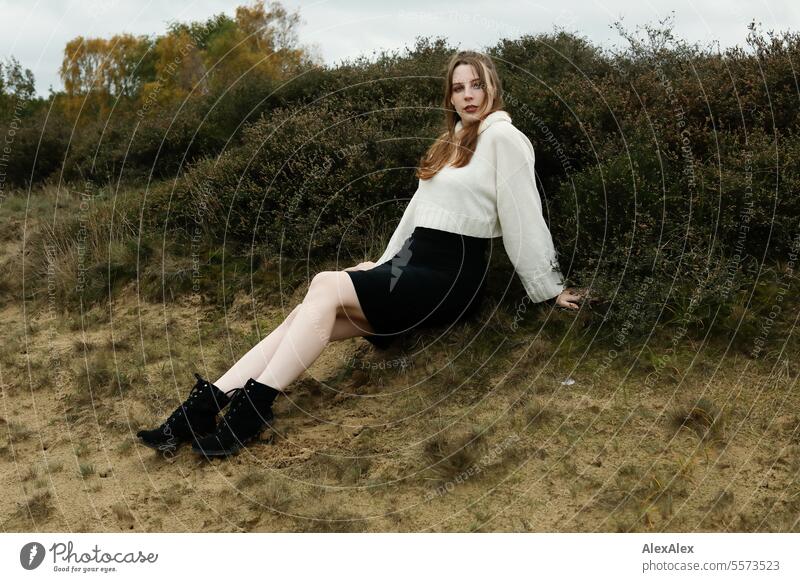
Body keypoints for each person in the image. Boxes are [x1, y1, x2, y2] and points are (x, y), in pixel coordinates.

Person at [137, 50, 585, 459]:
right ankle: (200, 410)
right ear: (448, 95)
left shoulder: (504, 139)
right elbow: (417, 214)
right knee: (307, 315)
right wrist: (384, 264)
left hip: (452, 276)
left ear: (493, 88)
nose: (468, 95)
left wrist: (548, 287)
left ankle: (248, 415)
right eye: (458, 87)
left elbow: (525, 214)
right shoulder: (452, 141)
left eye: (477, 85)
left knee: (324, 284)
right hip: (414, 265)